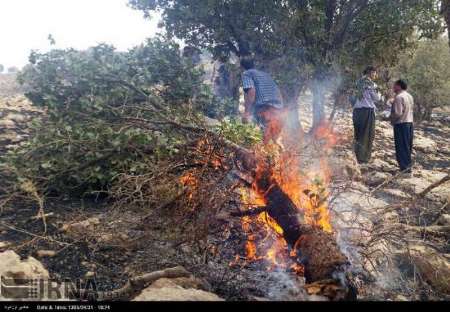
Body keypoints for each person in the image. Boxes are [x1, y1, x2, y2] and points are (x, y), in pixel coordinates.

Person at [240, 57, 284, 145]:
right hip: (278, 110)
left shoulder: (247, 74)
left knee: (259, 139)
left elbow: (251, 92)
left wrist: (247, 112)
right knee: (273, 141)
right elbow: (278, 92)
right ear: (254, 64)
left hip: (265, 109)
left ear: (242, 67)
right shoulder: (265, 74)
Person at [352, 66, 382, 164]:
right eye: (374, 73)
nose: (375, 75)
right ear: (370, 73)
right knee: (367, 135)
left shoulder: (357, 82)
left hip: (356, 111)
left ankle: (356, 155)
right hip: (367, 112)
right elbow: (377, 98)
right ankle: (363, 158)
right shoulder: (372, 84)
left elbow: (352, 97)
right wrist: (381, 95)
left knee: (358, 133)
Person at [390, 80, 414, 174]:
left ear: (399, 86)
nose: (393, 88)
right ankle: (408, 167)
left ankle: (404, 170)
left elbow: (398, 113)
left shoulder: (399, 97)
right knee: (407, 146)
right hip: (409, 123)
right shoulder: (409, 96)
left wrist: (390, 118)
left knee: (401, 147)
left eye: (394, 86)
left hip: (401, 124)